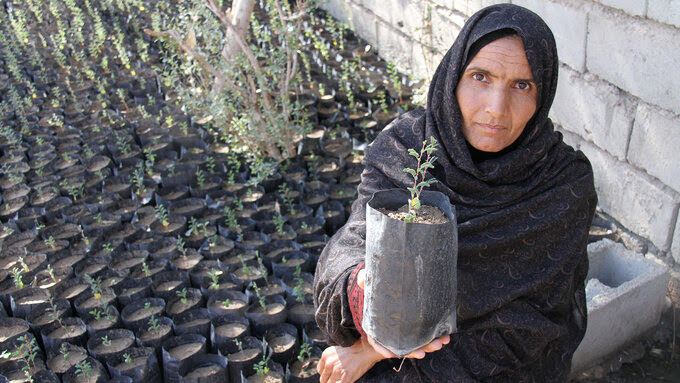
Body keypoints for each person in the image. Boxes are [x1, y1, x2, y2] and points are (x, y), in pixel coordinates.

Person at [313, 3, 598, 383]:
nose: (497, 110)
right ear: (453, 78)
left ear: (542, 94)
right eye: (481, 76)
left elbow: (529, 325)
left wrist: (374, 350)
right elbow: (353, 242)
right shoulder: (406, 147)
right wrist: (364, 290)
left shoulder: (563, 184)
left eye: (522, 85)